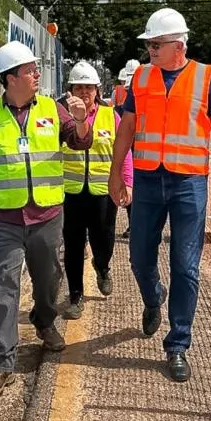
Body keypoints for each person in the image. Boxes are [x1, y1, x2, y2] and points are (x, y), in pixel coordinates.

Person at [109, 8, 211, 383]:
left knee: (186, 266)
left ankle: (178, 344)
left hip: (188, 184)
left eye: (156, 43)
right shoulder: (141, 77)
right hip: (148, 182)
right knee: (138, 258)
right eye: (148, 43)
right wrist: (116, 173)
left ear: (178, 45)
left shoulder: (205, 77)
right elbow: (128, 128)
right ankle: (153, 298)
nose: (150, 48)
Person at [0, 40, 93, 402]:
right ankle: (2, 361)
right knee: (2, 285)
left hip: (47, 214)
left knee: (49, 277)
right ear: (10, 78)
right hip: (5, 218)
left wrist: (81, 121)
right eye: (30, 70)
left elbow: (79, 142)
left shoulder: (54, 109)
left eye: (37, 69)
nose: (37, 75)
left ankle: (45, 321)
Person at [61, 60, 133, 320]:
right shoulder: (62, 116)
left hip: (104, 192)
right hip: (71, 193)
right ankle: (75, 295)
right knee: (73, 245)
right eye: (78, 87)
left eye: (88, 88)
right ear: (70, 90)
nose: (84, 93)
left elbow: (122, 153)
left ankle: (102, 267)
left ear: (97, 91)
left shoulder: (110, 115)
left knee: (104, 240)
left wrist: (127, 182)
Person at [113, 59, 139, 238]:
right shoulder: (118, 110)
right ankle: (134, 225)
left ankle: (137, 226)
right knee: (130, 192)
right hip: (129, 155)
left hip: (143, 157)